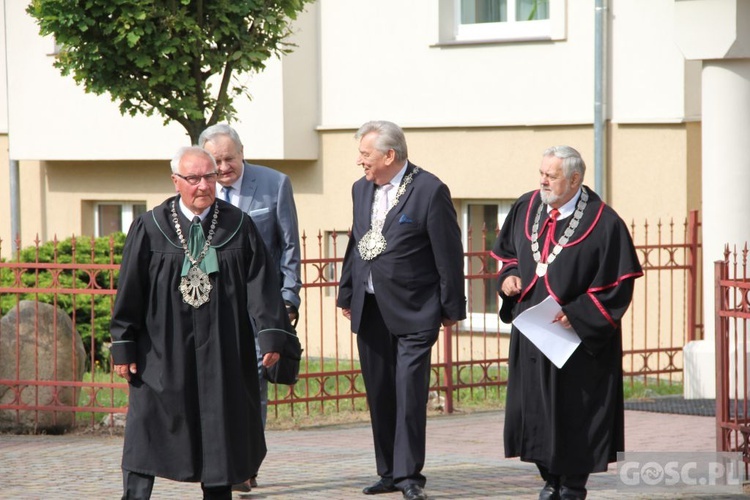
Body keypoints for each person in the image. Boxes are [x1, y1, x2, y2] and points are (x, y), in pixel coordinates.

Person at [110, 146, 294, 500]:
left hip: (222, 344)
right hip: (162, 348)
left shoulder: (238, 226)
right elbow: (130, 292)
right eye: (193, 178)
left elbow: (262, 287)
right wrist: (124, 345)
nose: (202, 186)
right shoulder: (150, 227)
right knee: (148, 423)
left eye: (209, 177)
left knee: (218, 421)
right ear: (176, 181)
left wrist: (271, 336)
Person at [491, 145, 643, 500]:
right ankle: (549, 478)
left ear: (575, 179)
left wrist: (577, 314)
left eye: (552, 175)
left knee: (574, 413)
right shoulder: (526, 206)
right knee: (535, 409)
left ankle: (573, 484)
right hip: (532, 330)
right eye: (541, 173)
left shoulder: (605, 223)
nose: (542, 180)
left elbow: (618, 285)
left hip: (574, 340)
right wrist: (509, 277)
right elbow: (508, 253)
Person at [337, 120, 466, 500]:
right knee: (379, 391)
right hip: (371, 306)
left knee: (409, 393)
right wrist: (347, 293)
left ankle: (410, 476)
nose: (360, 162)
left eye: (366, 155)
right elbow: (356, 242)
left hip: (416, 309)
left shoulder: (428, 189)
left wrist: (450, 307)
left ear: (389, 155)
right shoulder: (361, 189)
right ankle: (388, 472)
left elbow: (448, 252)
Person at [198, 123, 302, 492]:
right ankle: (221, 458)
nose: (223, 168)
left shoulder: (275, 184)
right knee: (219, 383)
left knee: (253, 385)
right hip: (213, 307)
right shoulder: (201, 188)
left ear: (242, 153)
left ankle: (245, 465)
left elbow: (290, 245)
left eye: (229, 158)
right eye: (217, 160)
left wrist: (289, 298)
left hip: (261, 306)